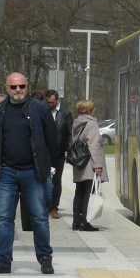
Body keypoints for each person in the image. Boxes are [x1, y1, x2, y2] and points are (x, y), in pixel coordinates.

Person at [0, 72, 58, 275]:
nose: (18, 90)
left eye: (22, 86)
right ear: (6, 88)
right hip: (7, 171)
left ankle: (45, 258)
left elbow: (52, 138)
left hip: (32, 172)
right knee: (4, 218)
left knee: (40, 217)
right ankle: (3, 261)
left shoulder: (39, 108)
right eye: (14, 87)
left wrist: (49, 166)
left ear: (27, 86)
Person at [70, 100, 107, 232]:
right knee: (88, 194)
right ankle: (85, 221)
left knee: (79, 192)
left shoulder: (76, 123)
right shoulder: (91, 124)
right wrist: (98, 165)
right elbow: (94, 145)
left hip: (79, 163)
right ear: (90, 110)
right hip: (89, 164)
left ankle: (76, 221)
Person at [45, 89, 73, 219]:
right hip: (44, 152)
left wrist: (69, 152)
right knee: (43, 180)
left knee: (56, 180)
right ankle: (45, 205)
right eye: (48, 102)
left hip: (59, 153)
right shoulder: (43, 111)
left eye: (52, 102)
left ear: (57, 100)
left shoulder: (65, 113)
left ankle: (54, 207)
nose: (50, 104)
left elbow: (69, 134)